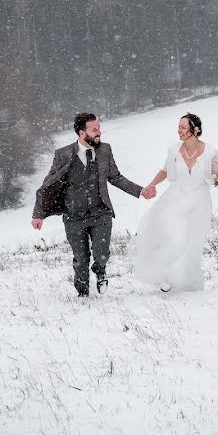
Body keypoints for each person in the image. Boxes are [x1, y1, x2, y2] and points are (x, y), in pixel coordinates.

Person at [32, 113, 154, 297]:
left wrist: (140, 190)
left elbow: (115, 177)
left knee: (102, 253)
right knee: (81, 259)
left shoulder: (105, 150)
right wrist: (38, 214)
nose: (99, 132)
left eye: (99, 128)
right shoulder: (63, 154)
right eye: (94, 129)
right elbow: (48, 184)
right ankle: (82, 294)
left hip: (100, 212)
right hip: (74, 216)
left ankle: (100, 272)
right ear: (82, 133)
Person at [132, 113, 218, 293]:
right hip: (175, 199)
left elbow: (215, 176)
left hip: (200, 201)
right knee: (175, 239)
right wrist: (151, 185)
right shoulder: (173, 150)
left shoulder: (211, 151)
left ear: (195, 130)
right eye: (178, 127)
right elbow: (165, 170)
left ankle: (189, 282)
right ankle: (162, 275)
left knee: (193, 243)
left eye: (183, 127)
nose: (178, 131)